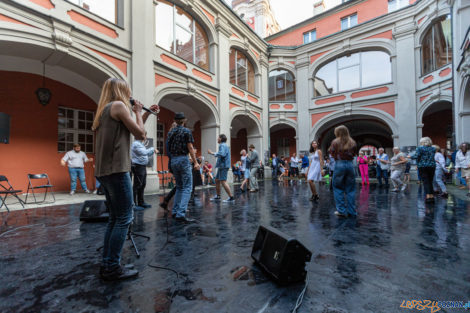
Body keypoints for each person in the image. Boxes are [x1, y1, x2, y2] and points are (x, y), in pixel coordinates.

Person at [93, 77, 158, 281]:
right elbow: (140, 134)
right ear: (121, 90)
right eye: (127, 90)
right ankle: (112, 267)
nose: (130, 95)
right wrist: (138, 111)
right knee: (124, 218)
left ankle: (108, 264)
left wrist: (144, 113)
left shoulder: (104, 110)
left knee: (114, 218)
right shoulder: (119, 105)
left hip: (104, 171)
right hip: (117, 170)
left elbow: (134, 129)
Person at [167, 112, 199, 222]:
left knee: (179, 187)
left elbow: (168, 148)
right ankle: (181, 213)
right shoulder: (186, 131)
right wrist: (195, 162)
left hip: (173, 160)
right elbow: (190, 148)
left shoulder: (171, 132)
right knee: (187, 187)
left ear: (175, 121)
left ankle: (175, 211)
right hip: (183, 159)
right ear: (184, 120)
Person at [329, 125, 357, 218]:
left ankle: (341, 210)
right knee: (351, 189)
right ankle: (352, 211)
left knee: (338, 187)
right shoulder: (352, 142)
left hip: (339, 164)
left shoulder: (335, 142)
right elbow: (354, 153)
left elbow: (331, 152)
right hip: (350, 164)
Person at [131, 134, 157, 209]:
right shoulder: (136, 144)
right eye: (145, 135)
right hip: (138, 166)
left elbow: (146, 153)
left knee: (142, 184)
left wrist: (152, 151)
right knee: (137, 184)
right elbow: (144, 153)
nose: (146, 137)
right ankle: (133, 204)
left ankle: (141, 202)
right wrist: (152, 148)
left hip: (142, 166)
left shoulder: (140, 144)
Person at [208, 134, 234, 202]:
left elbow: (222, 154)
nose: (217, 139)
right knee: (217, 180)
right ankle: (218, 196)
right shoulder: (225, 145)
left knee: (223, 181)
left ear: (221, 138)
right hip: (222, 166)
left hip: (223, 166)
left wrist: (212, 153)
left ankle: (231, 197)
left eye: (218, 138)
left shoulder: (222, 145)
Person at [415, 137, 436, 203]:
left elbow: (417, 156)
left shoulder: (420, 148)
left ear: (423, 142)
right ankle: (432, 196)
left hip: (423, 166)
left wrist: (409, 157)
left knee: (426, 182)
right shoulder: (433, 148)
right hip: (432, 166)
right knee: (430, 181)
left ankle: (428, 197)